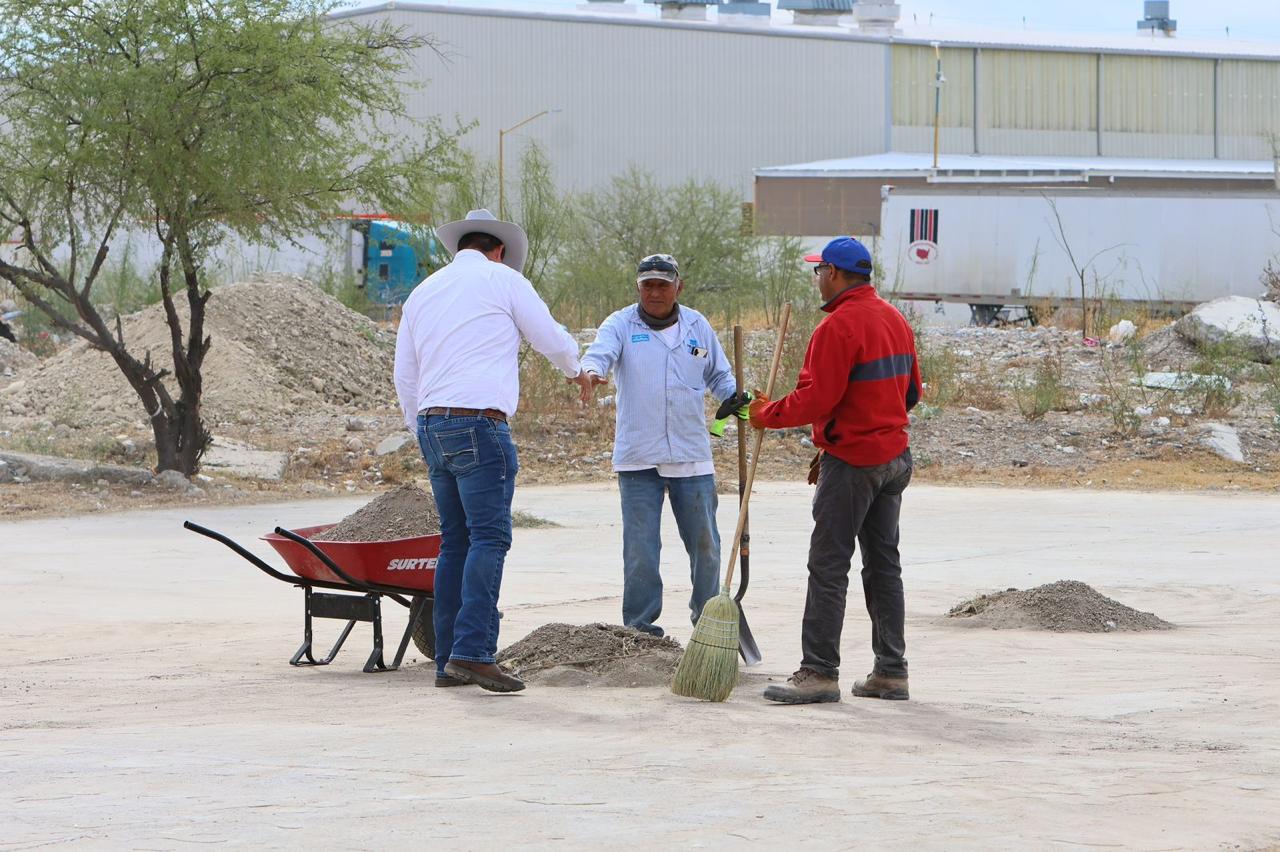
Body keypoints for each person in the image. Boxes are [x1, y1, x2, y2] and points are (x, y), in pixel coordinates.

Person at [394, 208, 594, 693]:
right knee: (489, 538)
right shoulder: (503, 280)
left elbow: (405, 373)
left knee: (454, 542)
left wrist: (421, 428)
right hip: (480, 425)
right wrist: (578, 370)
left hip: (433, 423)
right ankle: (474, 653)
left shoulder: (423, 292)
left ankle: (447, 659)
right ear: (499, 250)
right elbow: (548, 336)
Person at [748, 237, 921, 704]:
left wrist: (767, 414)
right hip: (894, 460)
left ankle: (819, 672)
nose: (816, 279)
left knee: (828, 565)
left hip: (855, 464)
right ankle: (891, 671)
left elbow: (816, 399)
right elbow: (911, 394)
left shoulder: (838, 327)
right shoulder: (895, 320)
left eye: (819, 270)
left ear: (836, 274)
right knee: (884, 566)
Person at [579, 254, 748, 637]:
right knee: (641, 551)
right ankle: (640, 630)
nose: (655, 292)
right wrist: (591, 373)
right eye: (647, 285)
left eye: (662, 284)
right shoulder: (621, 324)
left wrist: (735, 396)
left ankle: (707, 627)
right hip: (639, 456)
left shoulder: (697, 326)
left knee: (706, 548)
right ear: (638, 288)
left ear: (678, 286)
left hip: (691, 455)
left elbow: (719, 375)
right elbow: (599, 353)